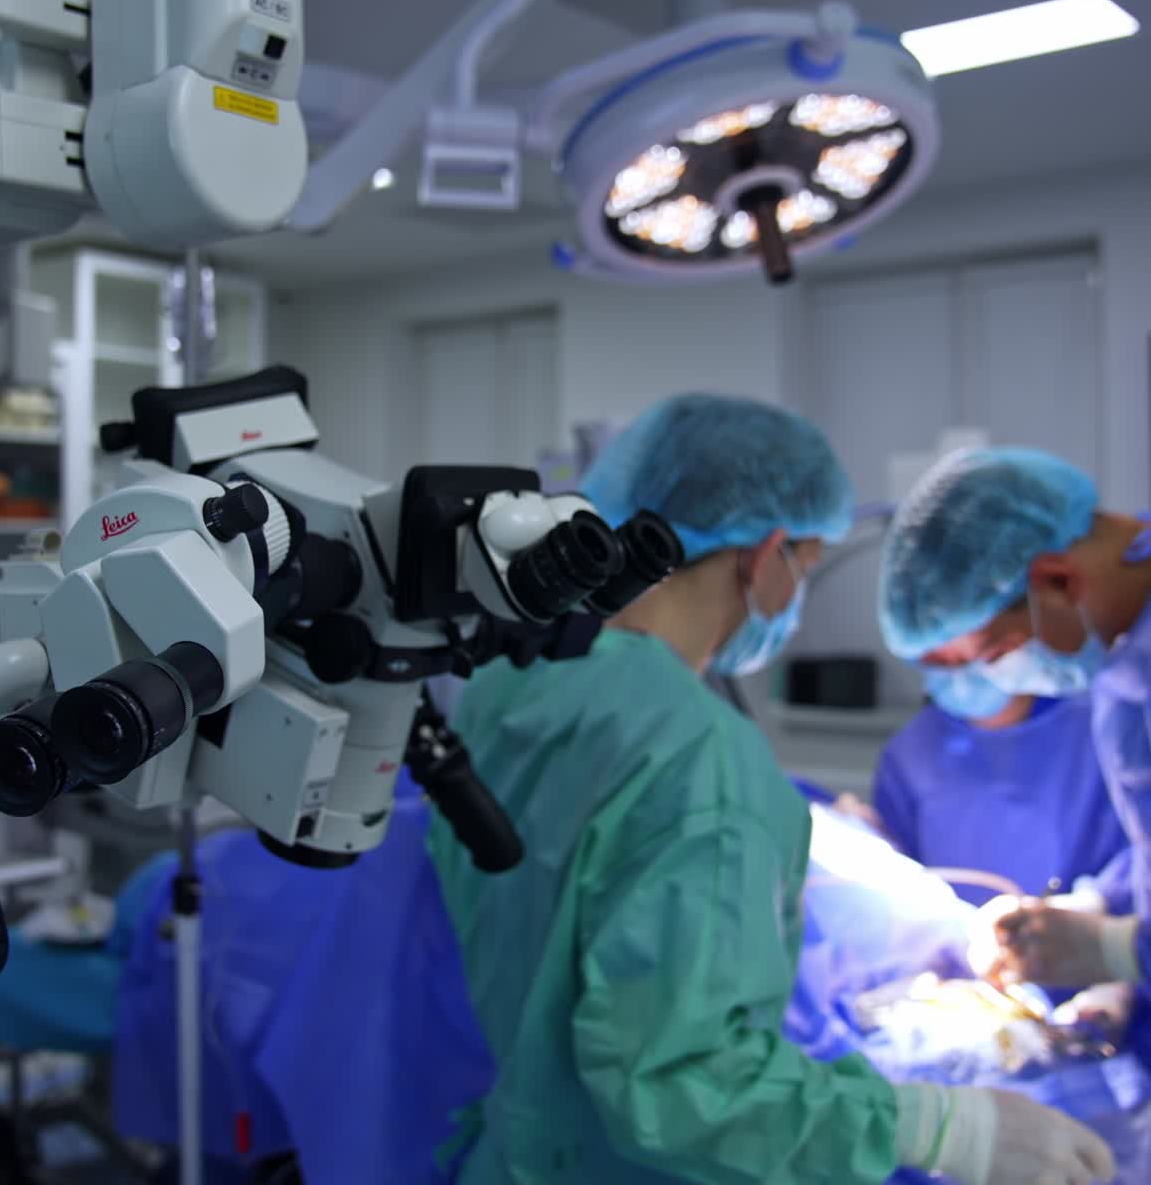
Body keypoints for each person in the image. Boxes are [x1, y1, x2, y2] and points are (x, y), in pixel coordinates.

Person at [427, 397, 1113, 1185]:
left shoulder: (510, 691)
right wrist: (940, 1127)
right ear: (768, 555)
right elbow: (682, 1086)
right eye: (809, 567)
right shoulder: (699, 757)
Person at [877, 446, 1151, 1004]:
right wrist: (1102, 908)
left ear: (1054, 580)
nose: (1003, 676)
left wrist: (1119, 949)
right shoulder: (1124, 678)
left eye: (998, 650)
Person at [873, 674, 1132, 910]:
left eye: (962, 657)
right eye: (937, 659)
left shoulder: (1100, 731)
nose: (953, 668)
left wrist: (1094, 904)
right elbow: (898, 871)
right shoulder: (913, 749)